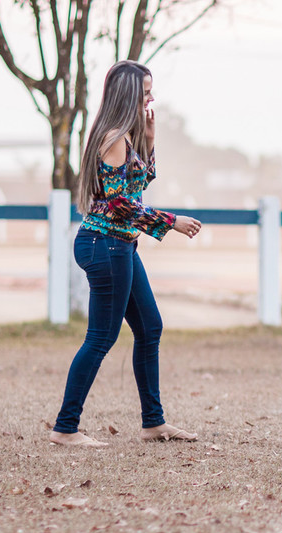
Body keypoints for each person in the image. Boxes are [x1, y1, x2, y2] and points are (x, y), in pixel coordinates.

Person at [49, 60, 203, 448]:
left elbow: (140, 182)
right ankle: (66, 428)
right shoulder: (113, 139)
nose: (151, 97)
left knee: (149, 328)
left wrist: (149, 140)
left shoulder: (124, 137)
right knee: (101, 338)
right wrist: (170, 222)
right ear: (128, 93)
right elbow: (120, 203)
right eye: (146, 90)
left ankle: (154, 423)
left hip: (119, 245)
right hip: (106, 245)